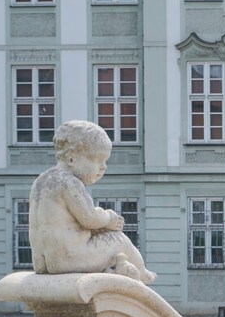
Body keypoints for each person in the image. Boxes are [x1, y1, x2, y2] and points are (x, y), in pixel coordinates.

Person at [29, 120, 154, 282]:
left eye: (105, 161)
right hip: (70, 258)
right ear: (72, 158)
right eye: (97, 159)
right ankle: (143, 275)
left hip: (43, 263)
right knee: (119, 240)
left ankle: (110, 269)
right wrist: (109, 217)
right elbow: (90, 218)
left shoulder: (41, 181)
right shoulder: (69, 182)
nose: (103, 167)